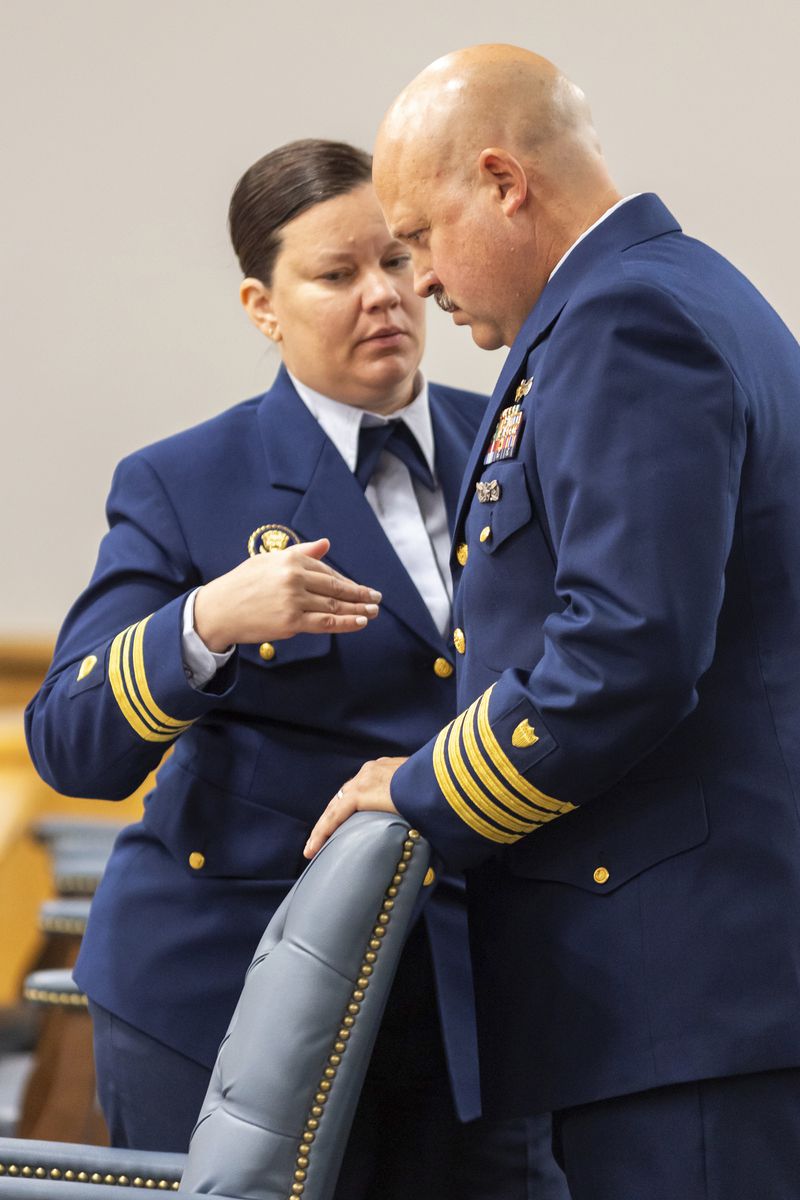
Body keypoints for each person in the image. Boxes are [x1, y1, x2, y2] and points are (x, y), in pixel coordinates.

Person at [25, 138, 568, 1199]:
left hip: (475, 981)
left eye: (398, 259)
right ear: (261, 306)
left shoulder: (517, 436)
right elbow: (67, 740)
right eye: (335, 274)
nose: (384, 297)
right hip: (233, 979)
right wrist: (204, 623)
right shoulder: (187, 481)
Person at [305, 45, 800, 1200]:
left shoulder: (626, 320)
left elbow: (624, 646)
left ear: (501, 180)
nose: (418, 280)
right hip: (677, 988)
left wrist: (423, 785)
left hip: (684, 991)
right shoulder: (658, 295)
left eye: (420, 236)